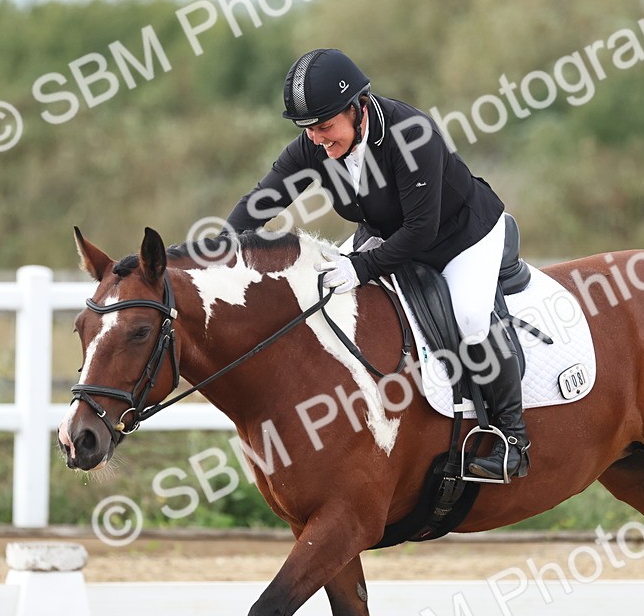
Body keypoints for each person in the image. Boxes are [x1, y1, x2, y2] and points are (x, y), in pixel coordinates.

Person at [224, 48, 530, 481]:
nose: (316, 140)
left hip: (461, 236)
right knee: (330, 299)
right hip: (388, 234)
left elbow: (422, 230)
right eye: (307, 130)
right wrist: (214, 248)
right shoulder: (315, 143)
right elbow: (263, 200)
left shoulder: (412, 134)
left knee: (472, 319)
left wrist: (362, 268)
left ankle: (512, 440)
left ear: (358, 108)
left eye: (325, 127)